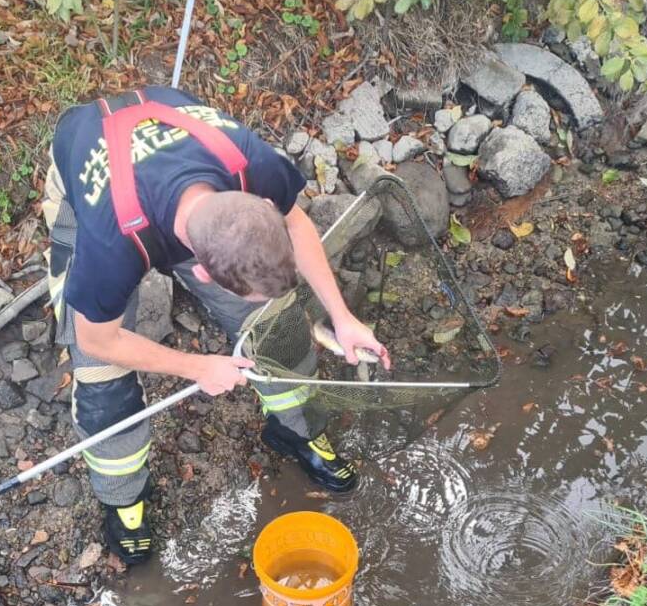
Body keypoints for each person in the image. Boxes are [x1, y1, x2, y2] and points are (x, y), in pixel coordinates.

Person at [42, 86, 388, 565]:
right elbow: (97, 338)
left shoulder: (249, 162)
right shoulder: (112, 242)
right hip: (89, 173)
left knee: (277, 322)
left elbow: (297, 224)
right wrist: (196, 366)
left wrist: (342, 317)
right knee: (103, 383)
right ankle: (123, 499)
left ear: (256, 201)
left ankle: (293, 430)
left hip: (164, 136)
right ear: (198, 272)